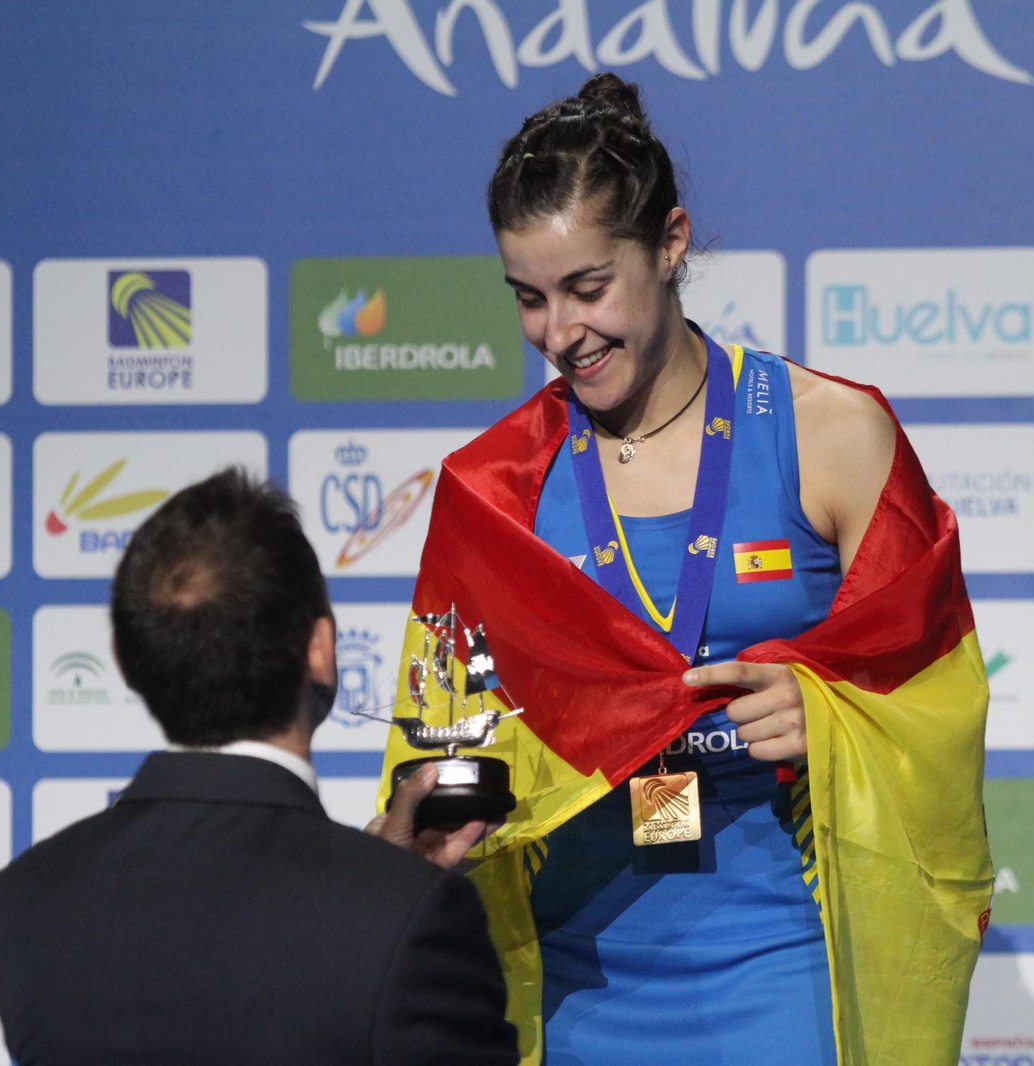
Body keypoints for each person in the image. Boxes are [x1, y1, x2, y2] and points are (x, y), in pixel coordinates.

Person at [376, 74, 995, 1066]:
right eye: (530, 298)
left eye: (588, 288)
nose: (559, 333)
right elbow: (446, 743)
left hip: (781, 964)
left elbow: (938, 697)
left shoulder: (830, 434)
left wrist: (829, 712)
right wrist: (424, 819)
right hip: (571, 982)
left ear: (670, 244)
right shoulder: (492, 491)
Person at [0, 469, 518, 1066]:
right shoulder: (410, 914)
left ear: (124, 663)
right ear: (320, 649)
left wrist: (385, 889)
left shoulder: (20, 904)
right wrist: (392, 899)